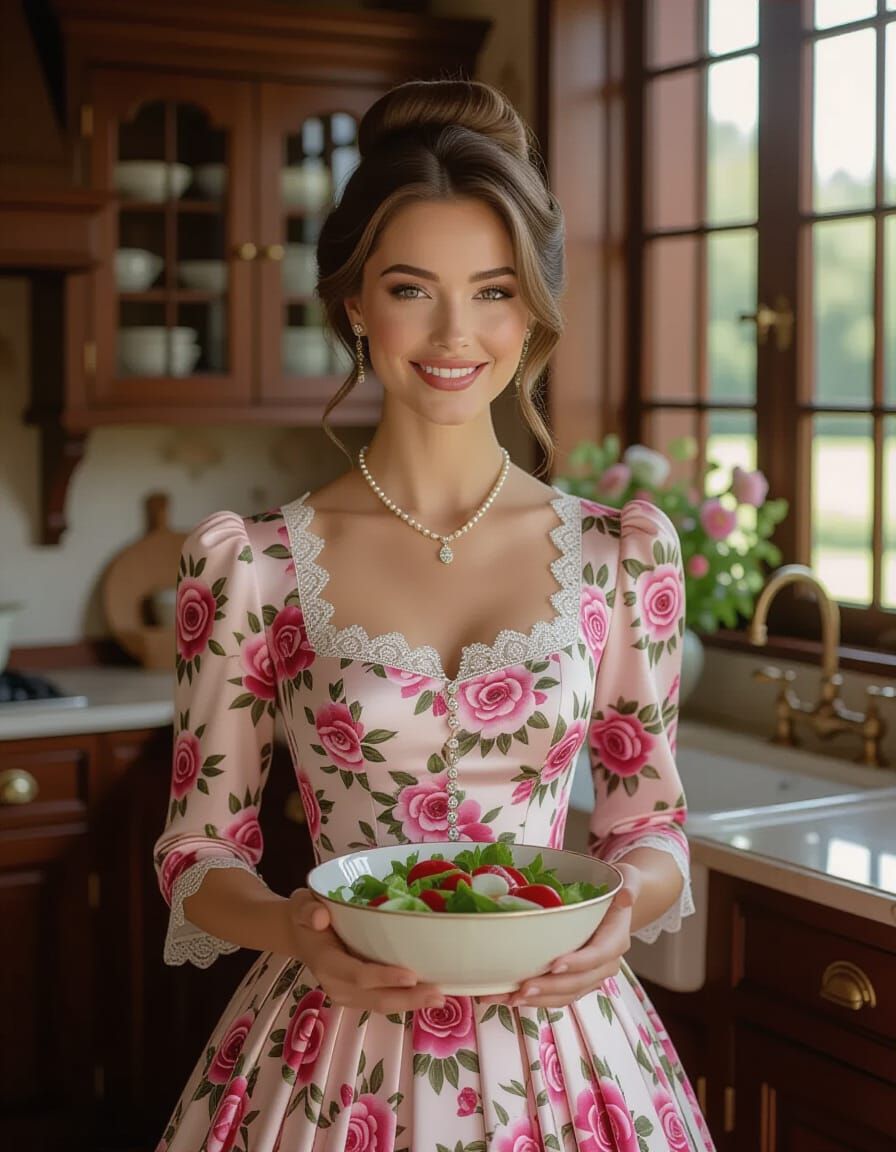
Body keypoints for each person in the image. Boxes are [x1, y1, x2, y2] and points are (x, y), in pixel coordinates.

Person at [153, 78, 714, 1152]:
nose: (456, 333)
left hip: (567, 1051)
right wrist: (294, 930)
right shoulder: (251, 567)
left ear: (531, 308)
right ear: (356, 304)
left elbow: (647, 823)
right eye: (412, 289)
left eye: (493, 291)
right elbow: (196, 853)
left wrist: (618, 914)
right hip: (328, 1057)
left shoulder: (619, 555)